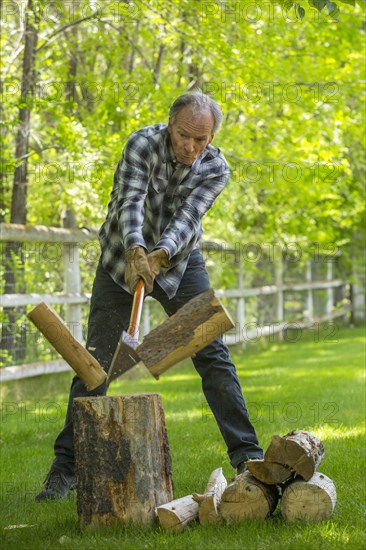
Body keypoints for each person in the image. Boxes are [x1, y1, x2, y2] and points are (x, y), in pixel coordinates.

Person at [36, 91, 263, 501]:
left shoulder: (216, 168)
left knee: (212, 353)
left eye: (201, 139)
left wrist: (159, 255)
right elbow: (130, 202)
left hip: (179, 261)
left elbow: (188, 218)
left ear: (211, 138)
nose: (191, 147)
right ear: (169, 125)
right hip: (120, 259)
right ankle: (64, 470)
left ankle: (248, 458)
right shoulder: (142, 143)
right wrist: (137, 251)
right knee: (96, 365)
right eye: (183, 136)